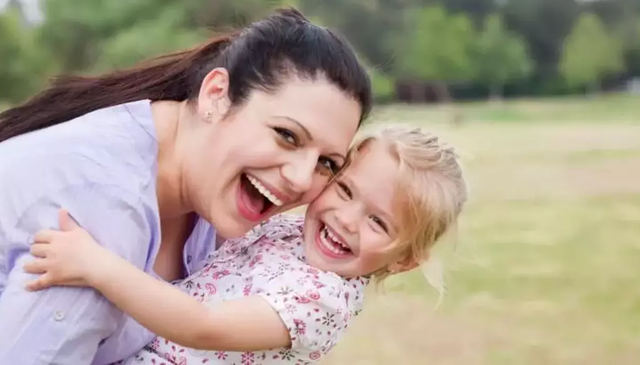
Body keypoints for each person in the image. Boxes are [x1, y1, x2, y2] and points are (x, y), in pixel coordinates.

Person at [0, 8, 372, 364]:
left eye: (327, 163)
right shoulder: (92, 228)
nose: (302, 179)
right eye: (287, 135)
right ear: (215, 96)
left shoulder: (212, 191)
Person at [24, 126, 468, 364]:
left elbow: (204, 326)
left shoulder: (323, 300)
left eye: (378, 222)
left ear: (405, 260)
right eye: (346, 190)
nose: (346, 220)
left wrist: (96, 265)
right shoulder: (291, 232)